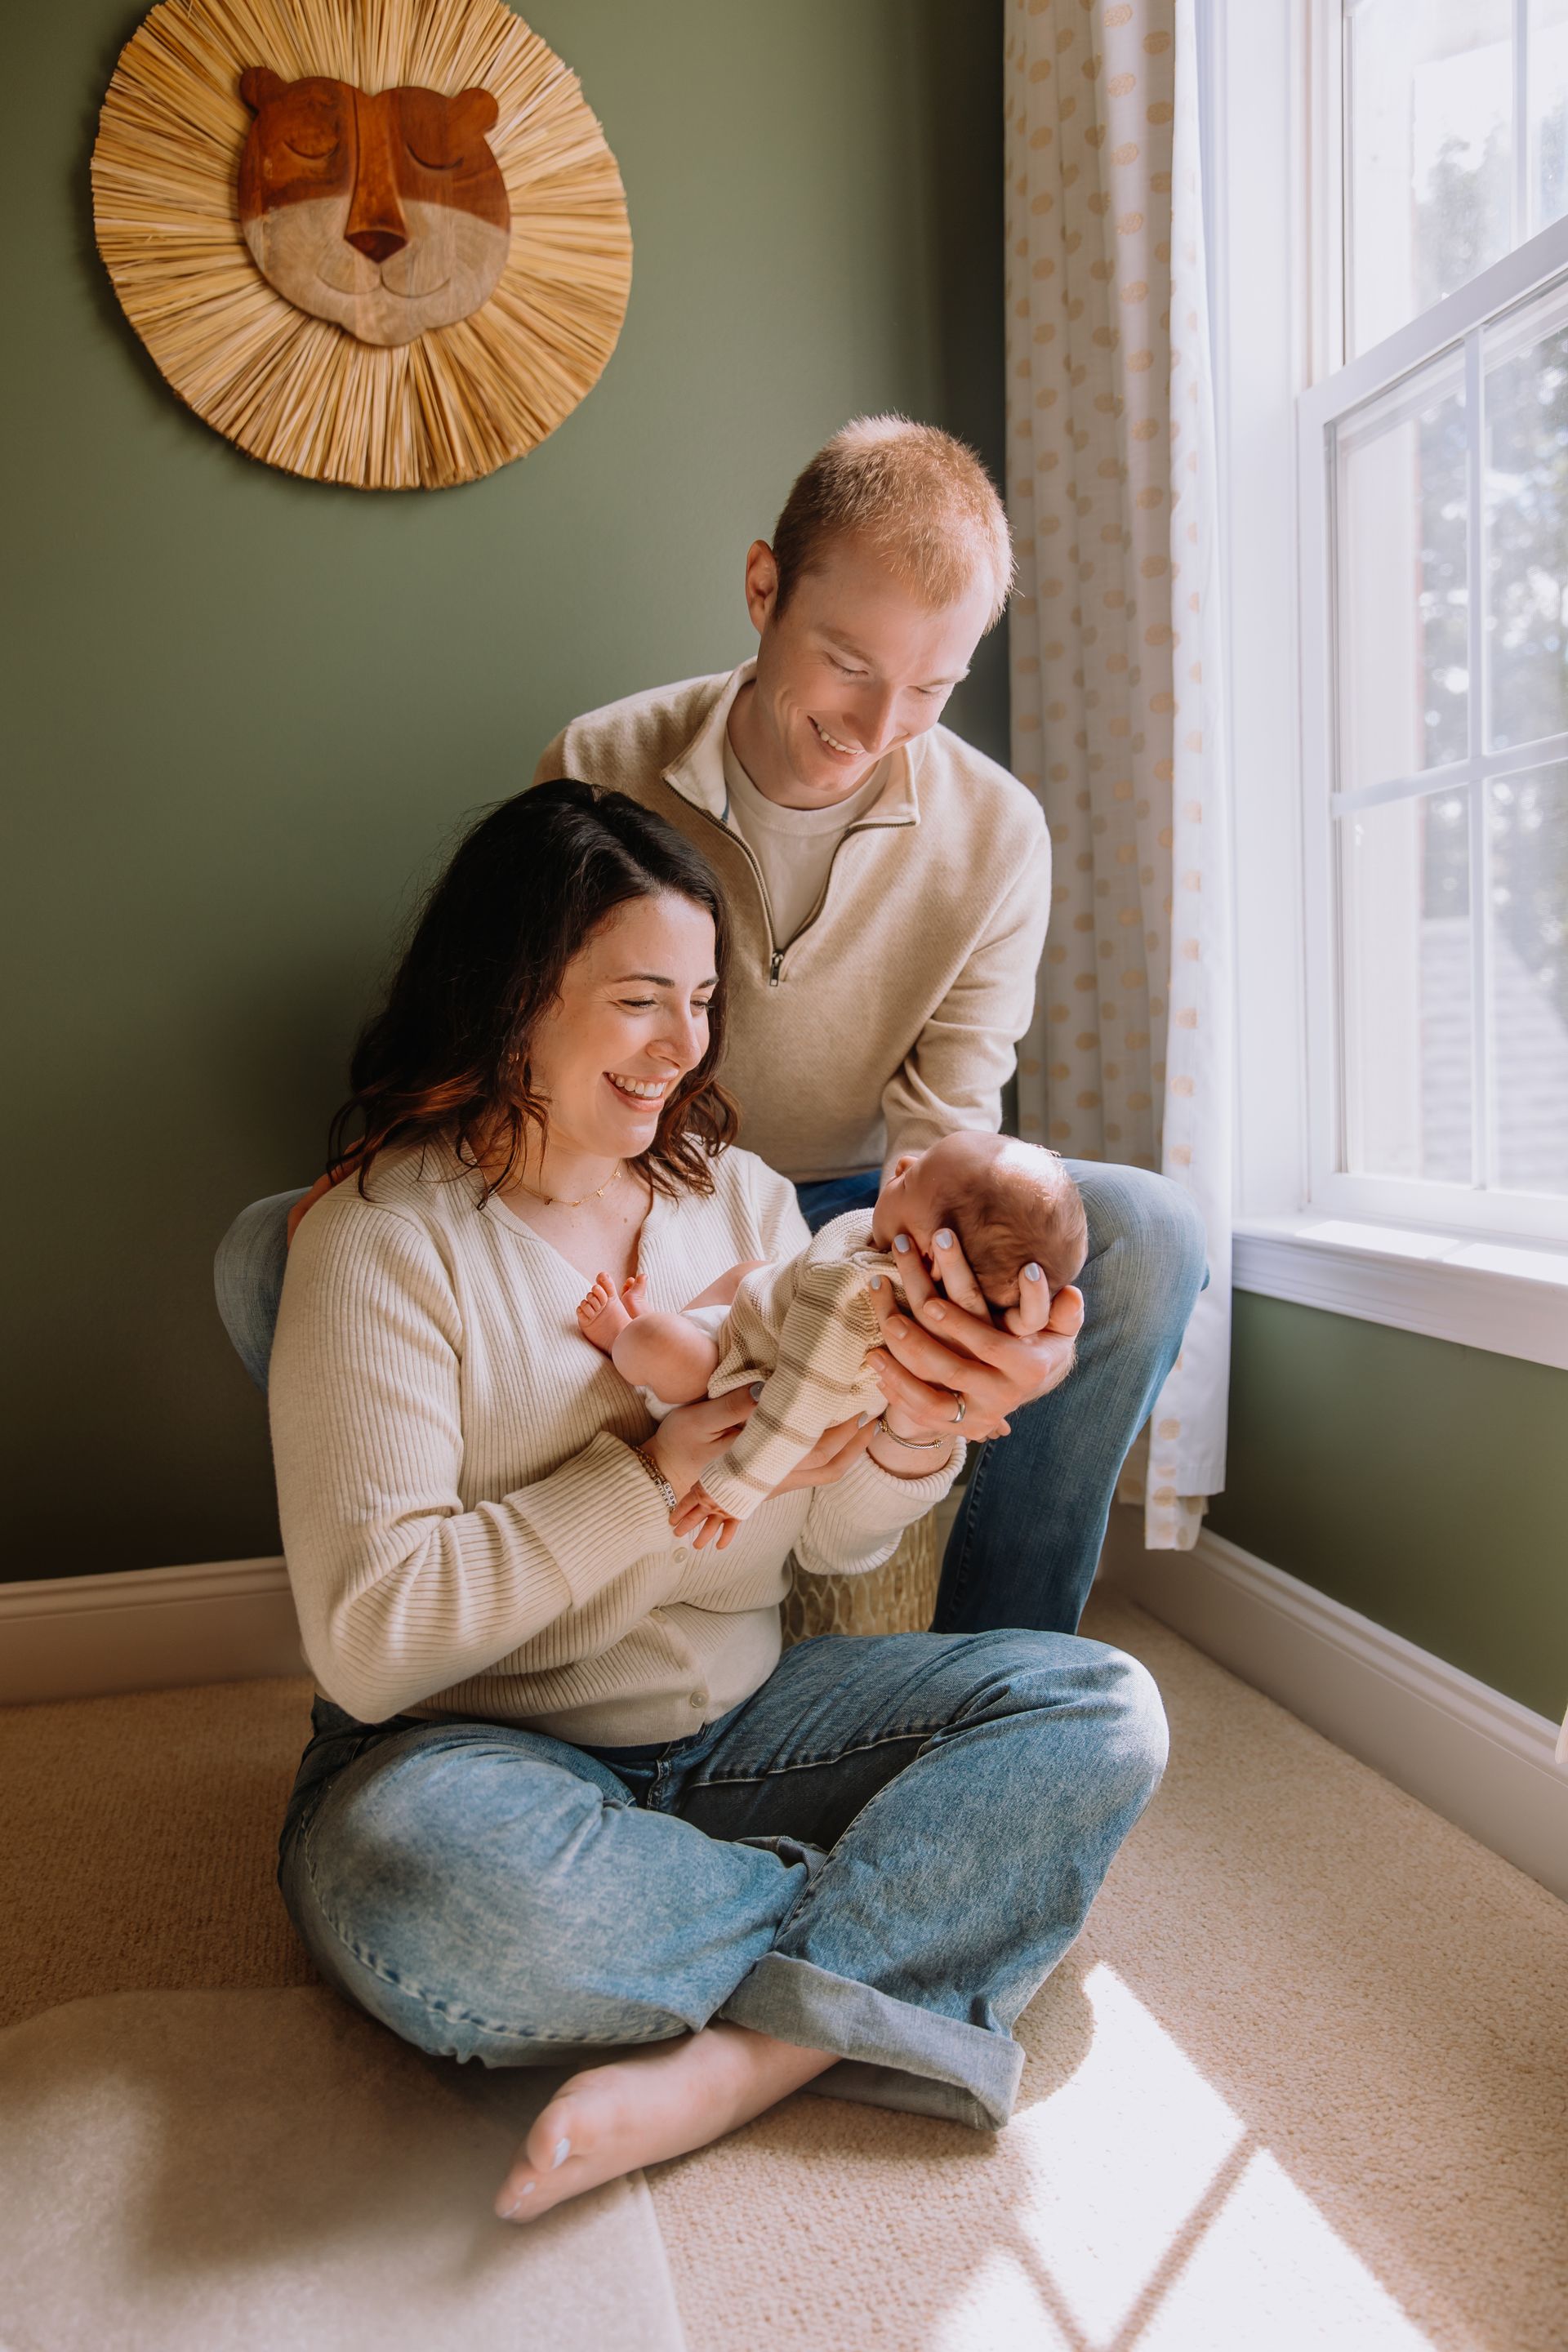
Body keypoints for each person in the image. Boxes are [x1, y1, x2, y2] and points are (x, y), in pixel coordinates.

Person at [269, 782, 1168, 2221]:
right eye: (640, 999)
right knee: (431, 1900)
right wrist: (651, 1472)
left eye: (700, 999)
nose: (685, 1044)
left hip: (745, 1722)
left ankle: (746, 2055)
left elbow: (831, 1544)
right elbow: (375, 1645)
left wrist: (917, 1430)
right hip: (470, 1757)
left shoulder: (745, 1208)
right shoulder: (382, 1243)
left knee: (1101, 1709)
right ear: (511, 1000)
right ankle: (888, 1944)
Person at [215, 413, 1206, 1635]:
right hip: (643, 1189)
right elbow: (528, 1017)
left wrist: (956, 1326)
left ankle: (983, 1662)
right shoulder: (601, 759)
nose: (879, 723)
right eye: (849, 661)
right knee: (274, 1248)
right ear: (763, 588)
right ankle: (477, 1626)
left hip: (854, 1207)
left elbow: (946, 1126)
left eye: (934, 688)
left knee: (1149, 1232)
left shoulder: (999, 833)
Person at [577, 1131, 1088, 1550]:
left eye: (913, 1179)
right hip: (760, 1326)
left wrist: (734, 1486)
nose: (903, 1160)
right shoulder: (895, 1252)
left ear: (935, 1256)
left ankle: (625, 1335)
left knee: (659, 1344)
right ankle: (683, 1323)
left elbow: (795, 1403)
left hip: (739, 1385)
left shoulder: (850, 1304)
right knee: (753, 1273)